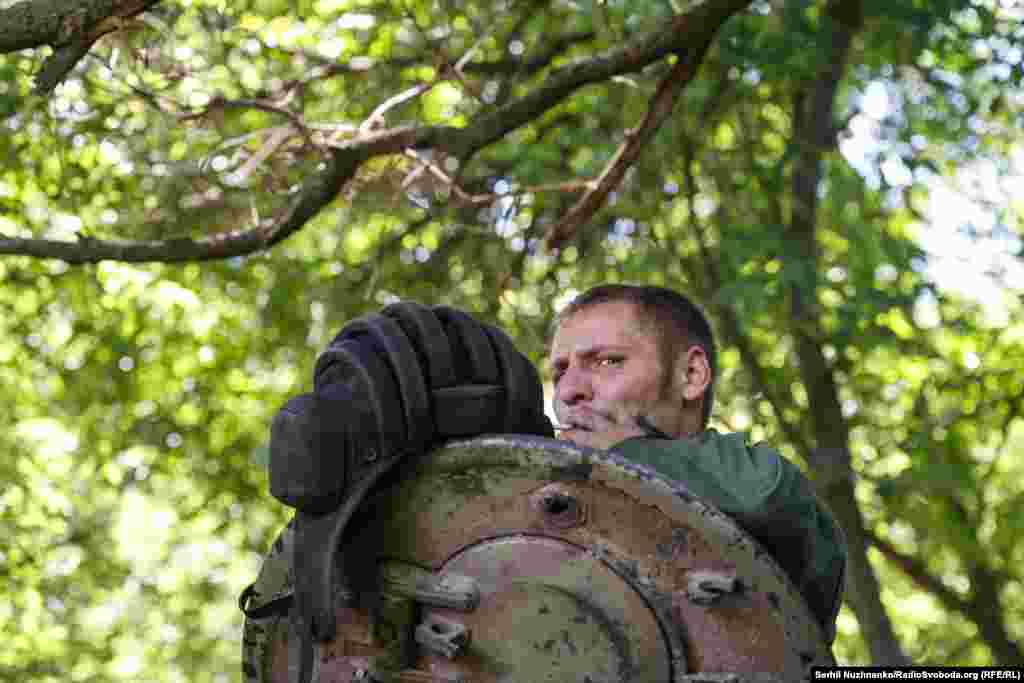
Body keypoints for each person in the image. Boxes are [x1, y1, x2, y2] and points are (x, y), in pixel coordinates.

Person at [547, 283, 846, 643]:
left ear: (690, 375)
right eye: (560, 372)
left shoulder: (748, 476)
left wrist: (614, 457)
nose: (567, 390)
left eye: (608, 361)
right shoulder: (553, 495)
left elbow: (764, 501)